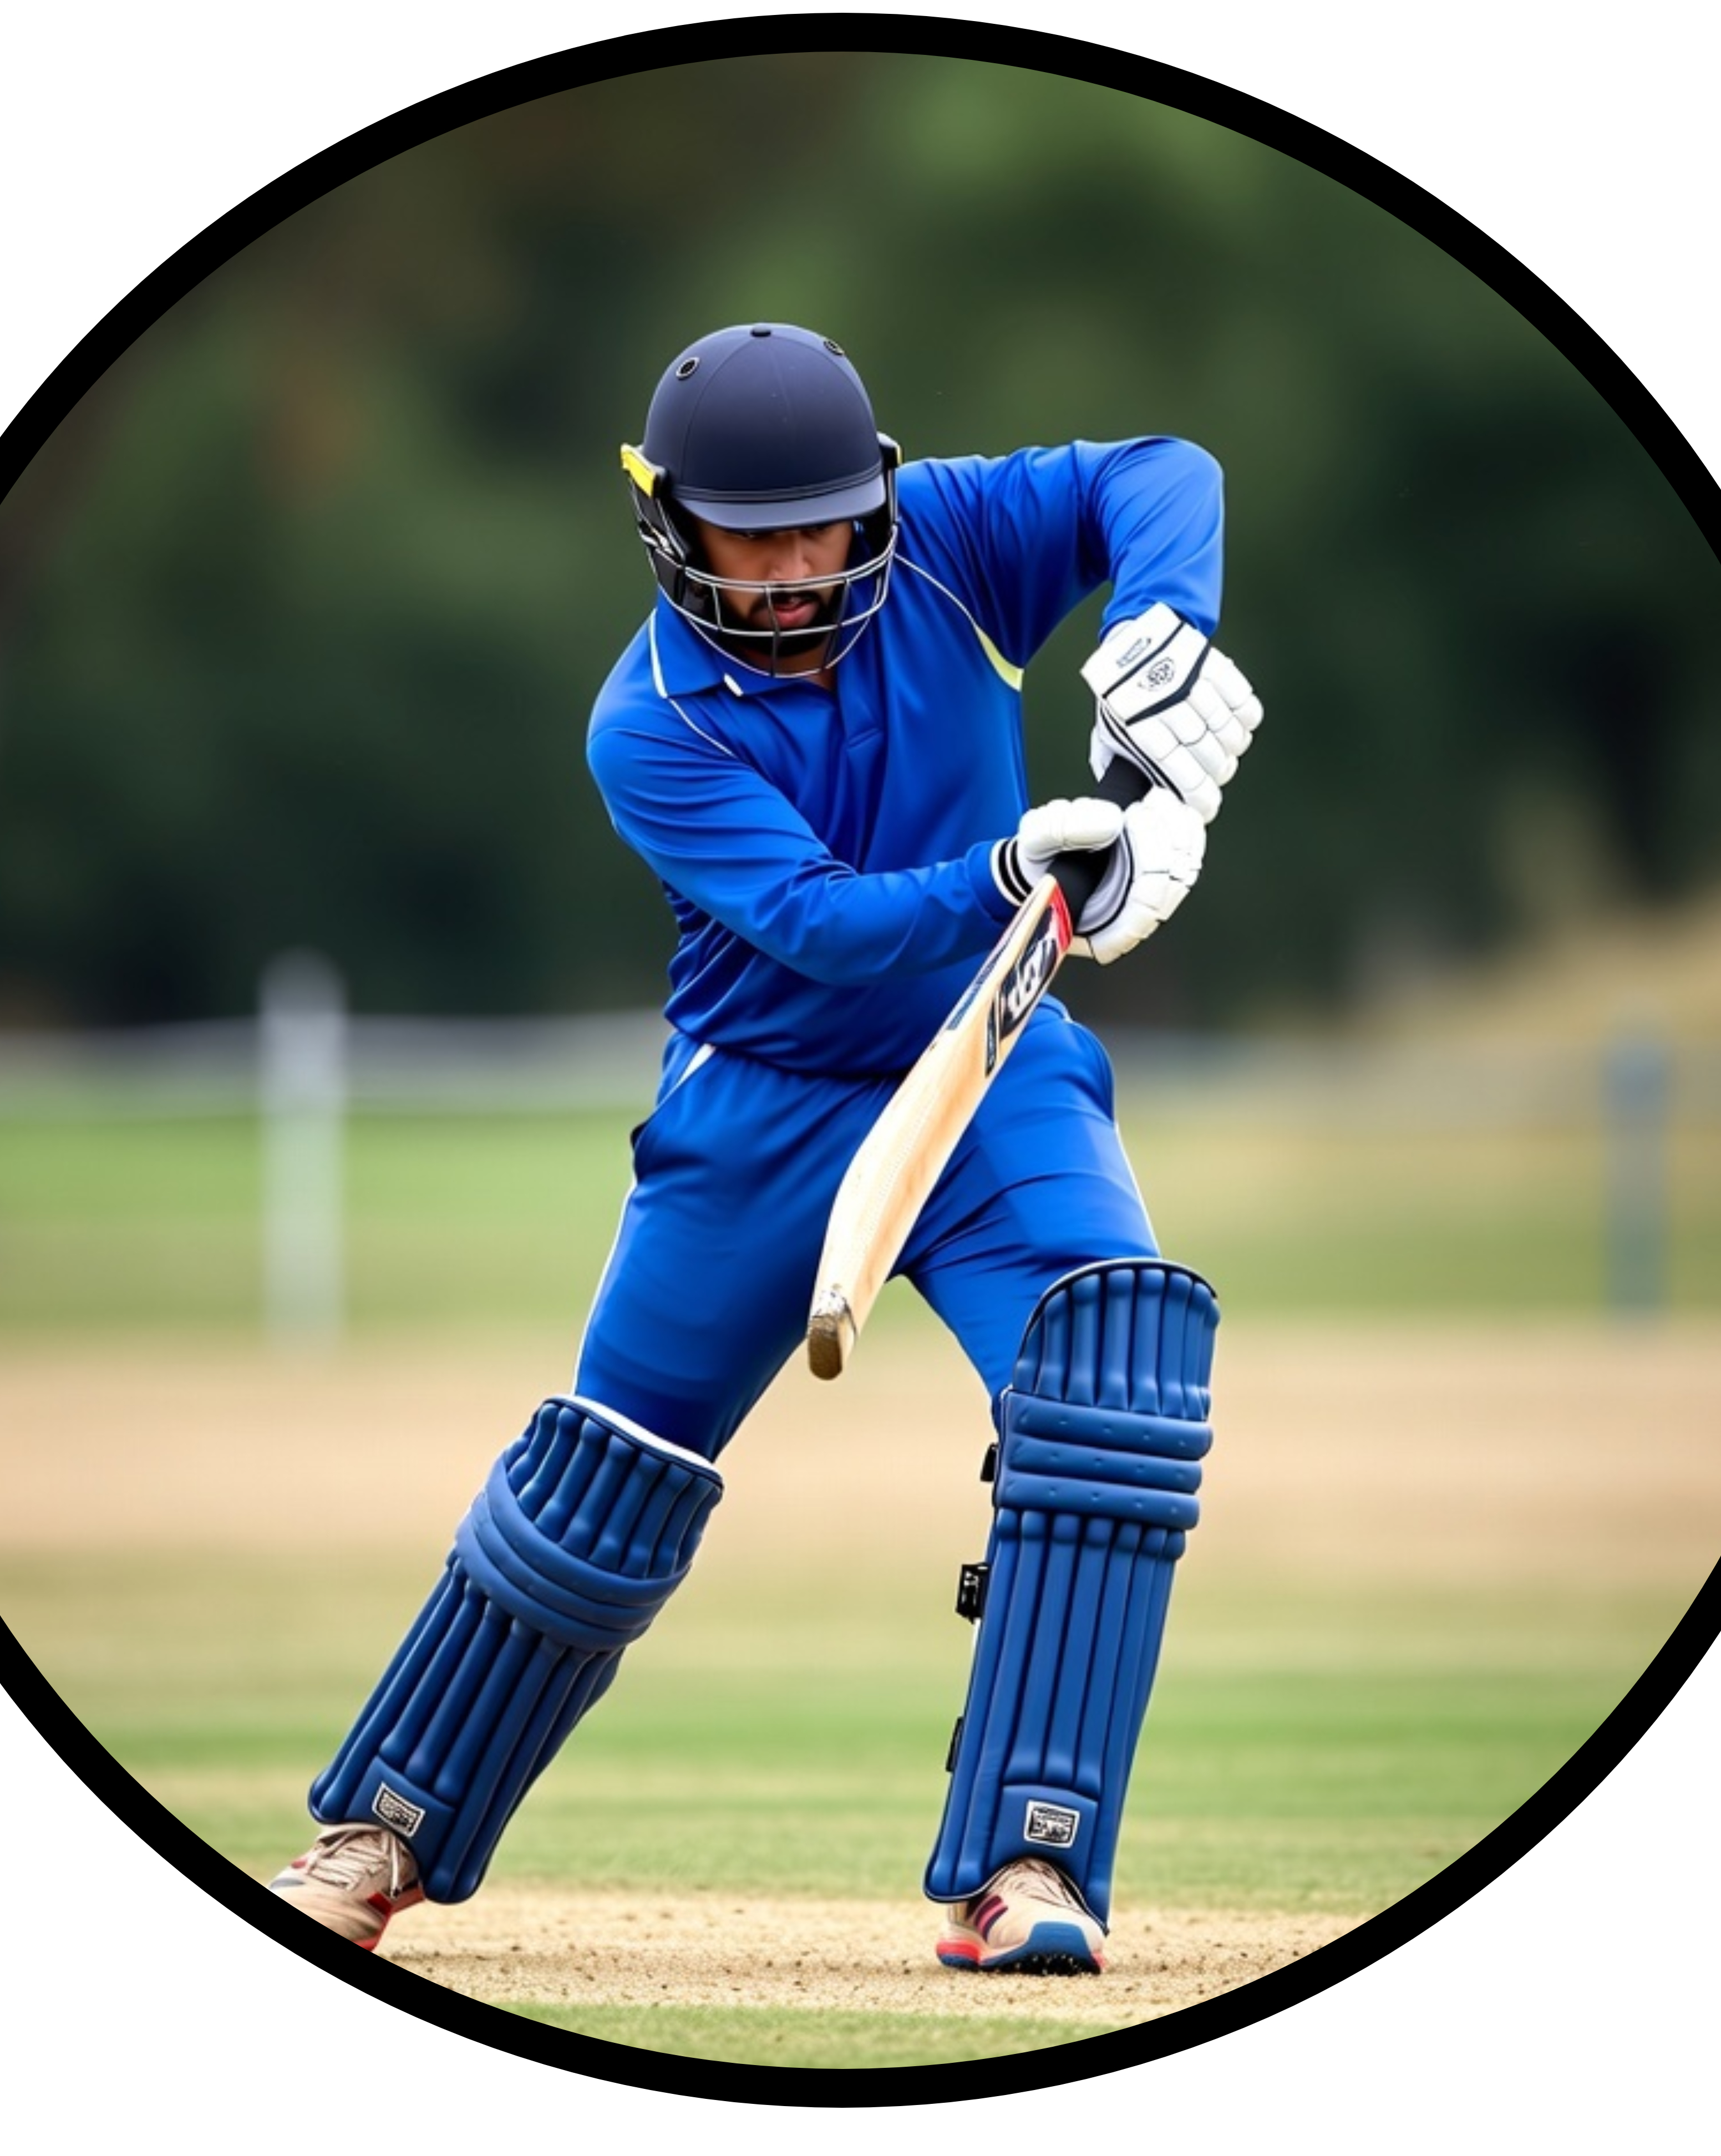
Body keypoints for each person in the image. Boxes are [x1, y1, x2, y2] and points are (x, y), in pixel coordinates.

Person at [268, 321, 1263, 1975]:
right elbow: (816, 923)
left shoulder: (947, 540)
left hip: (993, 1070)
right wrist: (1021, 873)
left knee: (1112, 1375)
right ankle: (382, 1830)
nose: (802, 569)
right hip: (762, 1105)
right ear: (671, 526)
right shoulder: (646, 722)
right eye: (757, 537)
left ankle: (1031, 1863)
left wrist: (1162, 630)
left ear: (877, 493)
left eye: (826, 525)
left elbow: (1162, 474)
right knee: (602, 1488)